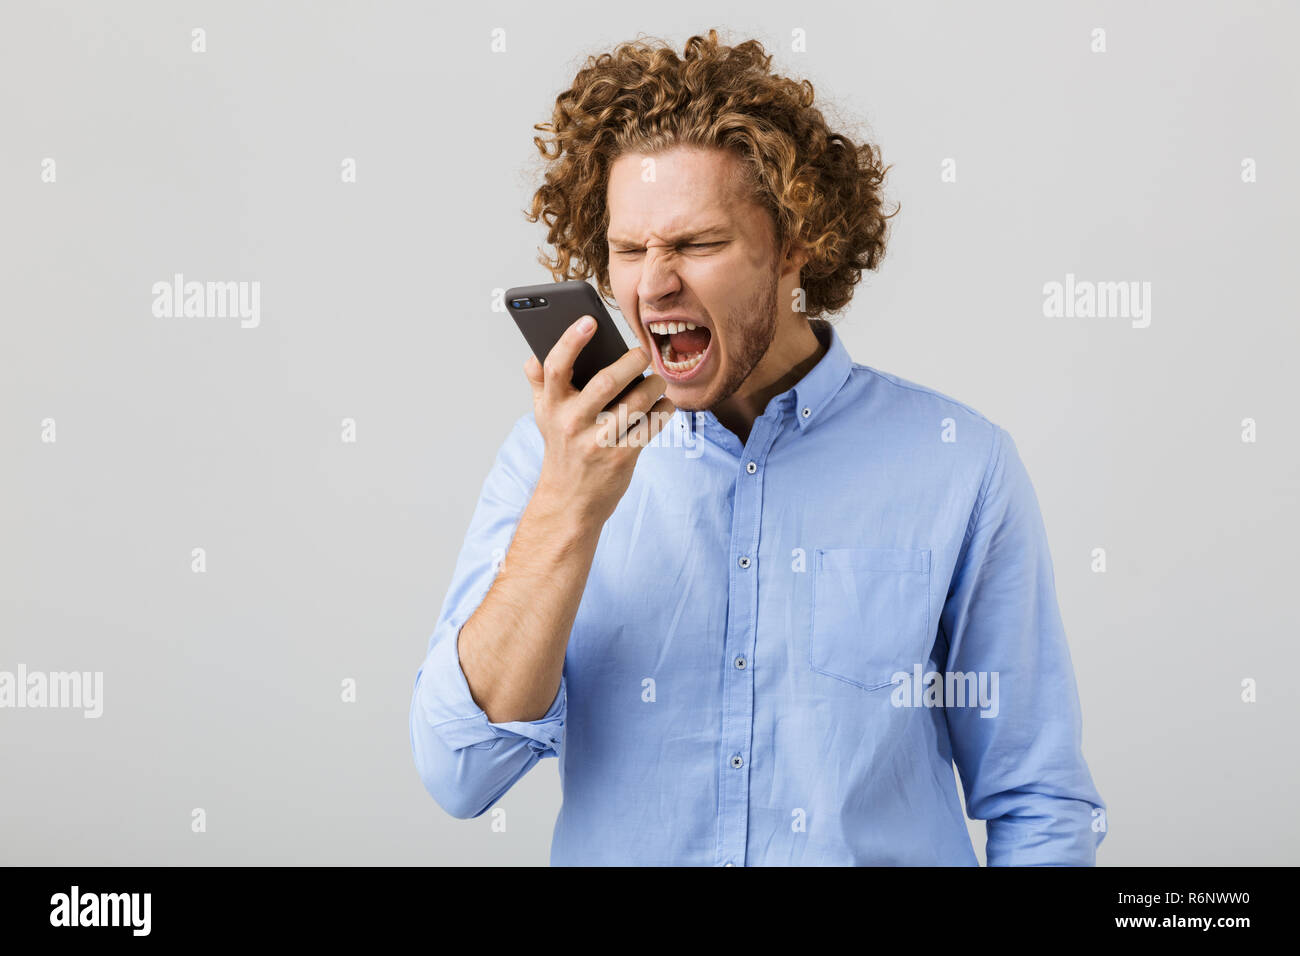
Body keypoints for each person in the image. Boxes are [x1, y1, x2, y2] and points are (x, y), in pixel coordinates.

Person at [409, 29, 1107, 866]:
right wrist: (569, 507)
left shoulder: (961, 465)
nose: (654, 283)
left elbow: (1038, 802)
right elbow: (460, 772)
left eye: (697, 244)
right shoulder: (549, 465)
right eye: (629, 250)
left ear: (794, 244)